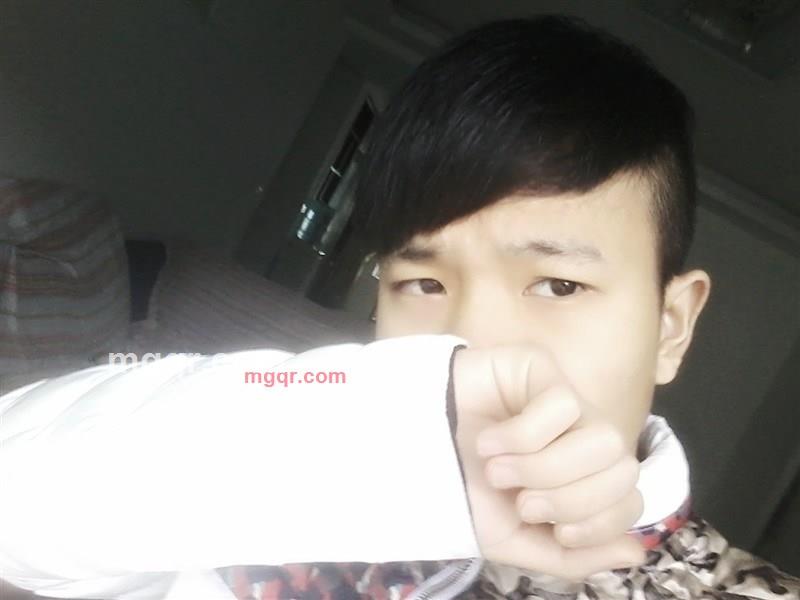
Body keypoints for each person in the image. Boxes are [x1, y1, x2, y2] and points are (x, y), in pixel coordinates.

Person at [0, 14, 797, 600]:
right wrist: (381, 454)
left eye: (558, 286)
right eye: (424, 284)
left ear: (670, 326)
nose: (472, 348)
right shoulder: (299, 474)